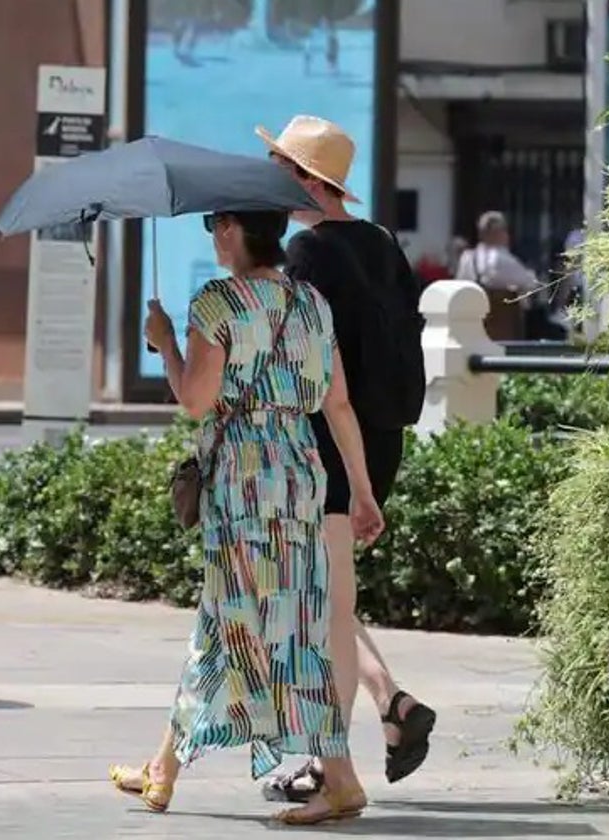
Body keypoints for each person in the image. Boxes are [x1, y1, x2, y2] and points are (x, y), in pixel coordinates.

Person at [110, 209, 384, 826]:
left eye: (215, 226)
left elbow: (195, 401)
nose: (212, 236)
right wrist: (362, 490)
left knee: (250, 622)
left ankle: (341, 780)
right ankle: (164, 768)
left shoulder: (217, 304)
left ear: (233, 230)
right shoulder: (310, 302)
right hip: (301, 474)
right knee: (256, 620)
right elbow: (337, 403)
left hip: (242, 480)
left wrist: (165, 344)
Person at [255, 114, 437, 803]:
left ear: (304, 181)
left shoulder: (307, 253)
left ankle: (324, 763)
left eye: (279, 166)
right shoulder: (382, 244)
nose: (269, 176)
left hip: (329, 439)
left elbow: (306, 364)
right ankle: (389, 705)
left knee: (326, 602)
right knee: (326, 594)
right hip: (381, 435)